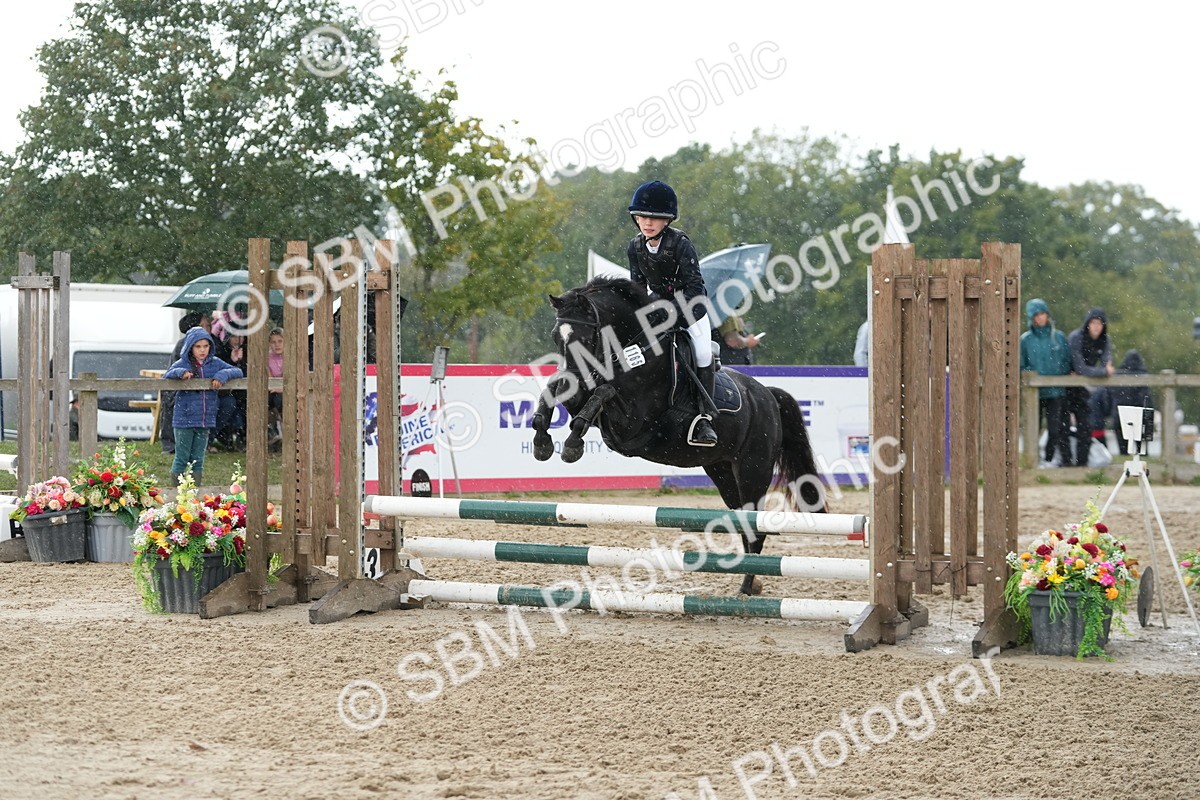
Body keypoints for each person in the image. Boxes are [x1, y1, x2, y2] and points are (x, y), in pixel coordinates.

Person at [625, 180, 718, 446]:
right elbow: (637, 289)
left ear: (667, 220)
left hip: (690, 306)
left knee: (703, 353)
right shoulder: (635, 247)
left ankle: (704, 418)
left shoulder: (680, 244)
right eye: (642, 216)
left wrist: (673, 315)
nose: (647, 222)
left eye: (654, 218)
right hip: (656, 307)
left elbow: (695, 289)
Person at [163, 326, 243, 488]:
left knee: (198, 459)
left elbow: (237, 371)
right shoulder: (183, 363)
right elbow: (167, 375)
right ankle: (177, 492)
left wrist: (222, 375)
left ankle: (195, 492)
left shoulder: (215, 363)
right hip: (184, 420)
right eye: (198, 346)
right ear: (190, 347)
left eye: (206, 346)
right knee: (182, 458)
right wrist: (181, 373)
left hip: (205, 420)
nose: (202, 350)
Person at [1019, 298, 1072, 467]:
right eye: (1036, 315)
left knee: (1055, 429)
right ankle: (1032, 462)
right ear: (1031, 317)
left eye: (1043, 313)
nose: (1040, 317)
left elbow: (1067, 361)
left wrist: (1058, 374)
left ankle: (1048, 460)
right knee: (1032, 429)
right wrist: (1033, 376)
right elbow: (1021, 365)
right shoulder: (1025, 340)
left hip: (1056, 391)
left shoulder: (1058, 337)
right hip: (1033, 393)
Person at [1066, 307, 1114, 467]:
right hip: (1065, 385)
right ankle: (1065, 464)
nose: (1096, 326)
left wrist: (1099, 371)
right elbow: (1080, 367)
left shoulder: (1105, 340)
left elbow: (1107, 363)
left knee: (1085, 427)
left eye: (1099, 323)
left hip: (1083, 388)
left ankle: (1082, 465)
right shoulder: (1076, 337)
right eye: (1093, 323)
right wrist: (1102, 372)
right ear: (1087, 324)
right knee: (1061, 427)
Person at [158, 311, 207, 453]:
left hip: (198, 388)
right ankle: (171, 444)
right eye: (204, 326)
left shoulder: (207, 345)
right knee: (174, 402)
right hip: (178, 387)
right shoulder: (184, 345)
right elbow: (178, 370)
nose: (207, 329)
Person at [1092, 349, 1153, 456]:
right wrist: (1148, 416)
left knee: (1123, 450)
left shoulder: (1117, 376)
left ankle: (1124, 459)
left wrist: (1108, 412)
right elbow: (1146, 399)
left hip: (1120, 416)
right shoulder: (1144, 377)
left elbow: (1107, 397)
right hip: (1139, 416)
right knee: (1142, 451)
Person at [267, 327, 285, 450]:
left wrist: (281, 388)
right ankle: (272, 432)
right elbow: (270, 378)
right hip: (272, 389)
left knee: (280, 400)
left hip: (286, 389)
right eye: (273, 342)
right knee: (268, 400)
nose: (277, 345)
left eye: (280, 341)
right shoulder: (268, 358)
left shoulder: (290, 356)